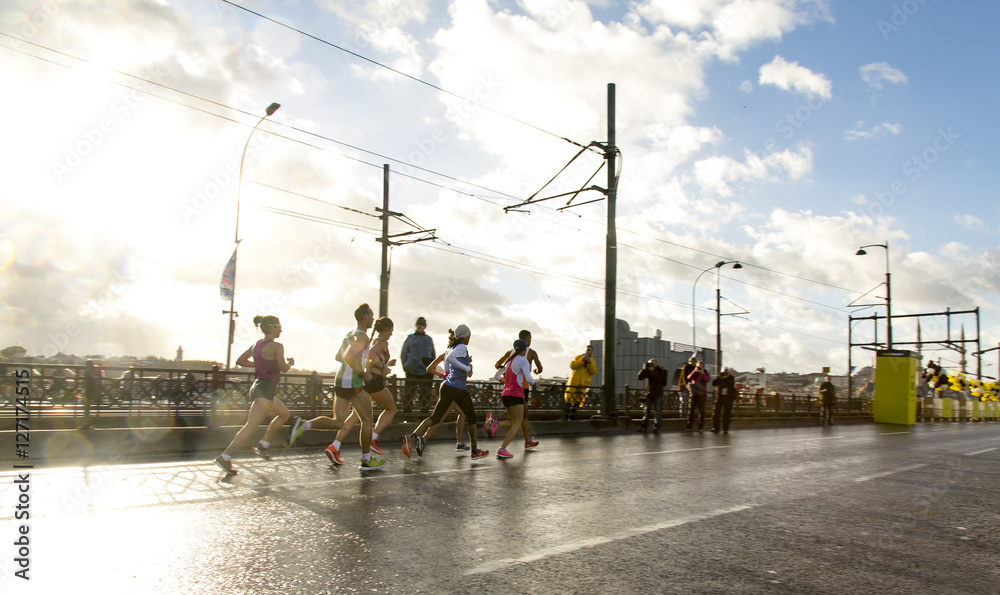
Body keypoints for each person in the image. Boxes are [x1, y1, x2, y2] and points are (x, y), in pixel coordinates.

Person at [288, 304, 385, 471]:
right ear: (364, 317)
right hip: (353, 382)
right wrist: (362, 373)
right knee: (367, 420)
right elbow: (347, 356)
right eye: (371, 315)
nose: (373, 318)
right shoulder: (362, 336)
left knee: (338, 421)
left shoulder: (350, 334)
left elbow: (339, 356)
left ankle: (303, 425)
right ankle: (366, 460)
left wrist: (362, 361)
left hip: (340, 380)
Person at [214, 315, 294, 475]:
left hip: (260, 387)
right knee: (251, 426)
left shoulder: (255, 345)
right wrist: (290, 363)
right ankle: (226, 456)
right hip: (265, 388)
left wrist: (259, 364)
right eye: (279, 327)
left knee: (284, 414)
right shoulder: (277, 346)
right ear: (272, 327)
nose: (281, 330)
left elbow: (240, 360)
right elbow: (284, 368)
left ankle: (262, 445)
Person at [403, 325, 488, 459]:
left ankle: (411, 437)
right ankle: (474, 450)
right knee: (471, 417)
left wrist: (465, 365)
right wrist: (467, 367)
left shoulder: (450, 349)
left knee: (436, 418)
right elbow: (452, 361)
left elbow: (450, 365)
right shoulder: (461, 347)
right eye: (469, 336)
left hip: (447, 386)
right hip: (457, 387)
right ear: (465, 336)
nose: (469, 338)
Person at [327, 316, 399, 456]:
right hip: (375, 382)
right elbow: (370, 355)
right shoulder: (382, 342)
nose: (392, 333)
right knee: (391, 409)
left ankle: (335, 445)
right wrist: (382, 367)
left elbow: (367, 360)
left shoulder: (374, 341)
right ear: (386, 329)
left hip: (368, 381)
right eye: (391, 330)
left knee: (355, 415)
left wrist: (386, 365)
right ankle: (373, 438)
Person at [493, 329, 542, 449]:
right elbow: (539, 368)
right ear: (526, 339)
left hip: (508, 387)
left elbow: (497, 364)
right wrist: (536, 371)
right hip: (521, 387)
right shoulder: (531, 353)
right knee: (521, 417)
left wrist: (507, 373)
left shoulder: (511, 353)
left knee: (520, 415)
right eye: (530, 339)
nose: (531, 341)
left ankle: (526, 440)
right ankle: (496, 422)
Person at [496, 339, 535, 458]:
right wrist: (535, 383)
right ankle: (501, 449)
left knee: (513, 422)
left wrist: (508, 383)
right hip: (515, 395)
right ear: (524, 350)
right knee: (517, 425)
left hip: (505, 395)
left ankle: (495, 423)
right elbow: (528, 378)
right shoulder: (523, 361)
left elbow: (497, 376)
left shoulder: (509, 361)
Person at [422, 351, 469, 451]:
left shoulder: (444, 355)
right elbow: (467, 373)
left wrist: (442, 375)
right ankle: (422, 439)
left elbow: (429, 369)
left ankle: (460, 443)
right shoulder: (459, 355)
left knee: (462, 414)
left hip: (445, 386)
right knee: (440, 418)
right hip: (453, 388)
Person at [400, 316, 436, 408]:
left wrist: (433, 368)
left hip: (426, 370)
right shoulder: (410, 338)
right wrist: (405, 366)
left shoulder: (429, 339)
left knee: (426, 392)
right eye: (419, 324)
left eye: (422, 325)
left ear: (424, 326)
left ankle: (424, 411)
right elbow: (404, 352)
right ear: (416, 325)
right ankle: (407, 411)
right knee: (409, 392)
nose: (420, 326)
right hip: (411, 369)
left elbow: (433, 354)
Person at [563, 345, 597, 420]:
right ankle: (565, 416)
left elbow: (593, 372)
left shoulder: (592, 361)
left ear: (592, 352)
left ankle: (572, 416)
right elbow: (572, 366)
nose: (588, 351)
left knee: (578, 400)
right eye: (587, 350)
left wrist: (589, 363)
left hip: (583, 384)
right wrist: (581, 360)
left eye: (590, 350)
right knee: (569, 399)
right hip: (574, 382)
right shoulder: (578, 357)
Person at [636, 358, 668, 433]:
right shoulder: (648, 371)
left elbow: (661, 380)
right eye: (650, 364)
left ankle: (656, 428)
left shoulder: (661, 370)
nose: (651, 365)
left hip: (658, 394)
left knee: (658, 412)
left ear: (656, 364)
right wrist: (644, 369)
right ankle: (644, 427)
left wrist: (653, 371)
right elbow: (639, 377)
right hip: (649, 393)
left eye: (653, 363)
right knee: (646, 411)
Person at [685, 361, 710, 432]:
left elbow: (707, 379)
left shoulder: (706, 373)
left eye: (701, 366)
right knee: (691, 410)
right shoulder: (695, 372)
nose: (699, 367)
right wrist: (694, 371)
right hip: (694, 394)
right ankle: (689, 425)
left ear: (704, 367)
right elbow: (689, 378)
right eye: (698, 366)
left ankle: (700, 427)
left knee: (701, 411)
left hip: (702, 394)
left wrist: (702, 373)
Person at [711, 366, 737, 433]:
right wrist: (720, 377)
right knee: (716, 413)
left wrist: (726, 377)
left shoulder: (731, 377)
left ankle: (725, 428)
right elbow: (714, 383)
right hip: (719, 397)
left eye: (727, 371)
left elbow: (731, 384)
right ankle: (715, 427)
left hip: (728, 397)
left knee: (727, 413)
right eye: (724, 371)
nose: (725, 372)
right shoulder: (719, 376)